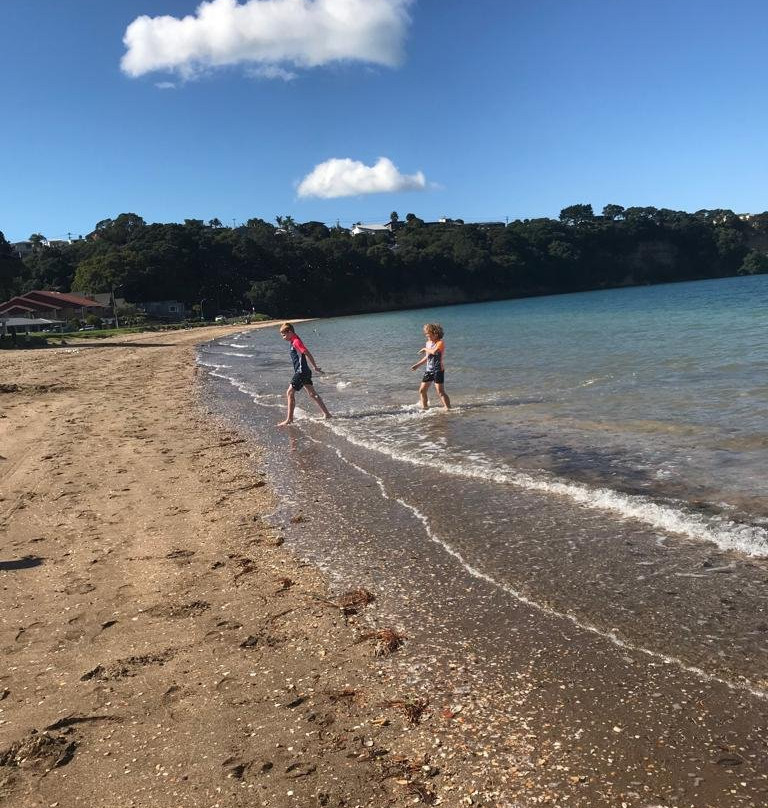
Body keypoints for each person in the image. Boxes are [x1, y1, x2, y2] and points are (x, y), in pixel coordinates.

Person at [277, 322, 331, 425]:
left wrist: (315, 366)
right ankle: (327, 414)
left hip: (301, 371)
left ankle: (289, 419)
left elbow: (306, 352)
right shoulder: (294, 339)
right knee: (312, 394)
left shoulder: (296, 341)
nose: (283, 337)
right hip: (305, 371)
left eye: (284, 335)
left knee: (289, 392)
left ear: (290, 332)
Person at [411, 322, 451, 410]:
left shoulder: (440, 343)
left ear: (435, 334)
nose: (426, 336)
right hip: (429, 370)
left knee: (440, 392)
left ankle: (448, 409)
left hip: (438, 370)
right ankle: (424, 408)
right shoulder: (428, 343)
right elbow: (427, 357)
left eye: (428, 334)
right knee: (422, 390)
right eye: (426, 334)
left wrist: (424, 349)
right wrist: (417, 365)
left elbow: (433, 352)